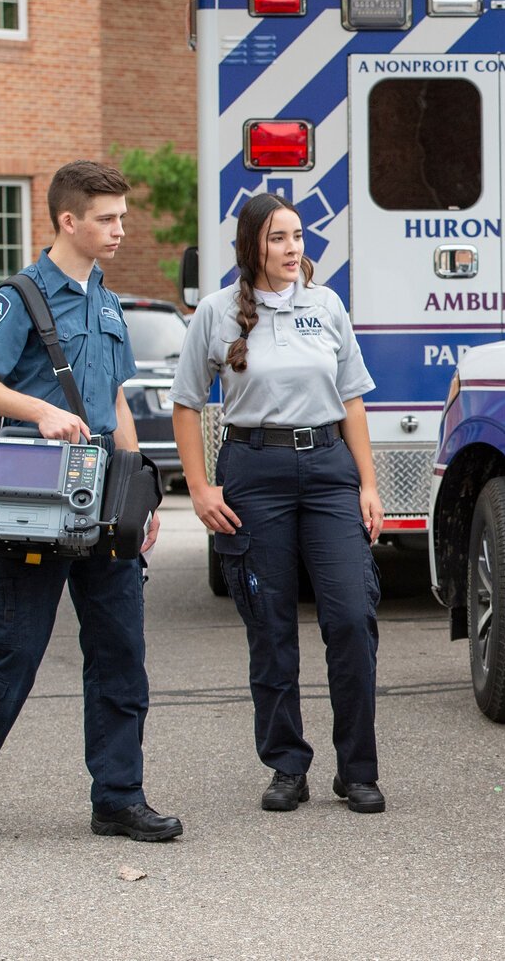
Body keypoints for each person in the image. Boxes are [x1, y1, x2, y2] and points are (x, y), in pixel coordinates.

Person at [0, 160, 182, 844]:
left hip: (102, 504)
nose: (121, 229)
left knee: (121, 654)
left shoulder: (104, 299)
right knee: (13, 652)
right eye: (108, 218)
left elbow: (115, 399)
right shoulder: (20, 297)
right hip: (36, 504)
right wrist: (38, 409)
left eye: (122, 216)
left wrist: (138, 493)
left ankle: (119, 797)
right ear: (69, 221)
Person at [170, 192, 386, 815]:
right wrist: (201, 489)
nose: (294, 249)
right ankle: (287, 764)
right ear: (251, 248)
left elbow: (352, 400)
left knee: (349, 617)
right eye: (278, 239)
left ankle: (358, 768)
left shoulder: (326, 306)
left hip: (327, 471)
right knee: (270, 626)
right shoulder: (214, 312)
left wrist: (368, 484)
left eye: (298, 236)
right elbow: (187, 404)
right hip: (253, 472)